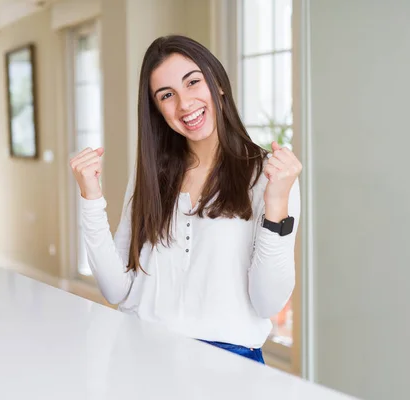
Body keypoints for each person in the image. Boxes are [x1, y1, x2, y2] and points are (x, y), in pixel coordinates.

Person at [69, 35, 301, 364]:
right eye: (167, 95)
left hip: (228, 365)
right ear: (157, 109)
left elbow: (267, 303)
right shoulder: (150, 175)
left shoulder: (269, 175)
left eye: (193, 82)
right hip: (142, 355)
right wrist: (90, 197)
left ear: (218, 83)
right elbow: (116, 289)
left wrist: (277, 206)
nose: (184, 104)